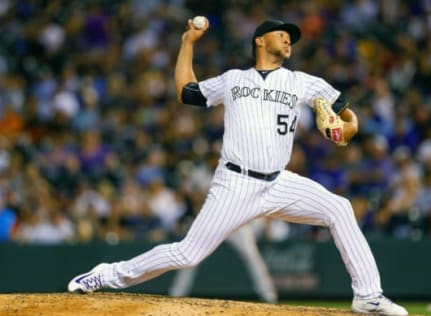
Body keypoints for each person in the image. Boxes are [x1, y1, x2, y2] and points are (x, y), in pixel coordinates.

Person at [68, 18, 408, 316]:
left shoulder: (304, 82)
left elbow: (351, 122)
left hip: (278, 183)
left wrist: (340, 131)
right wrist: (187, 43)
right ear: (260, 40)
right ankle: (107, 274)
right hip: (235, 183)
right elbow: (186, 92)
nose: (288, 39)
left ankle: (368, 296)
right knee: (188, 254)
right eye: (281, 33)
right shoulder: (233, 79)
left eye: (290, 36)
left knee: (339, 208)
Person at [169, 224, 277, 303]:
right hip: (213, 221)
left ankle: (268, 295)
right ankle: (177, 293)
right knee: (192, 255)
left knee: (251, 255)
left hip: (236, 222)